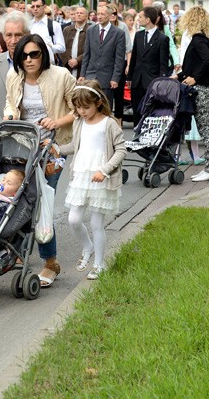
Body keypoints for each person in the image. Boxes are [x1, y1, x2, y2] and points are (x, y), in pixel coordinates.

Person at [4, 34, 76, 287]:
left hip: (52, 150)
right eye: (24, 55)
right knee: (16, 198)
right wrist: (11, 115)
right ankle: (18, 253)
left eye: (34, 54)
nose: (29, 59)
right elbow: (10, 103)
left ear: (44, 54)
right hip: (22, 148)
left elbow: (78, 108)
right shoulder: (14, 76)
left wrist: (56, 122)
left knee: (42, 202)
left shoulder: (61, 76)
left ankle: (50, 262)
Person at [58, 80, 125, 280]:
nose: (82, 111)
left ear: (97, 102)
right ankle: (88, 246)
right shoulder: (79, 122)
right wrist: (55, 149)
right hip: (81, 175)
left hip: (101, 177)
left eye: (86, 107)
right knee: (74, 219)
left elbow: (121, 150)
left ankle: (99, 264)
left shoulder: (109, 123)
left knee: (97, 223)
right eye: (78, 107)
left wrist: (104, 170)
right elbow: (75, 146)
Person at [177, 6, 209, 182]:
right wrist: (179, 76)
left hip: (202, 88)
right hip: (205, 87)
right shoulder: (205, 40)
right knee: (205, 128)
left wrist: (194, 78)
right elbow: (196, 64)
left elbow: (206, 61)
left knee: (204, 129)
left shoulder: (198, 40)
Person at [79, 4, 126, 123]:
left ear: (110, 16)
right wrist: (82, 74)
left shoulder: (118, 33)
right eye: (98, 14)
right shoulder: (91, 30)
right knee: (89, 106)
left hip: (107, 78)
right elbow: (87, 54)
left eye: (102, 14)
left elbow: (119, 58)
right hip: (91, 76)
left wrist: (115, 78)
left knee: (105, 109)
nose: (99, 17)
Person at [127, 6, 172, 126]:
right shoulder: (139, 35)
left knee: (150, 111)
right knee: (137, 110)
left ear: (147, 20)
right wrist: (130, 77)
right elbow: (134, 58)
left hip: (152, 81)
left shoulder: (162, 39)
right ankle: (137, 135)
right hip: (137, 81)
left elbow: (163, 64)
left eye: (140, 17)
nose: (138, 19)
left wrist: (161, 83)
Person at [60, 5, 89, 78]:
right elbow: (62, 47)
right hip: (68, 67)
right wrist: (68, 61)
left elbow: (91, 50)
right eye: (77, 13)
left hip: (83, 69)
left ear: (86, 16)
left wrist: (78, 60)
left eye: (81, 13)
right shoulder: (67, 30)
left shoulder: (91, 30)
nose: (78, 14)